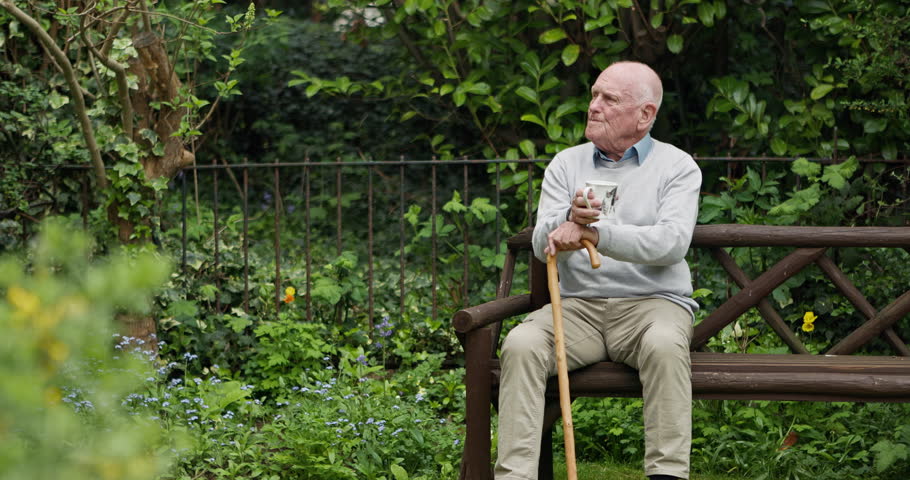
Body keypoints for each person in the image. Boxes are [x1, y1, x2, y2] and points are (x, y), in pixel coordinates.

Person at [494, 61, 702, 480]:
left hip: (653, 305)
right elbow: (540, 245)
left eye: (609, 99)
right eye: (594, 95)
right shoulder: (566, 164)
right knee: (521, 344)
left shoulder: (677, 167)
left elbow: (671, 243)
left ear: (644, 115)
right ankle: (514, 476)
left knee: (664, 345)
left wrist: (596, 234)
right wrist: (563, 225)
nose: (594, 106)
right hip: (577, 309)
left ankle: (667, 475)